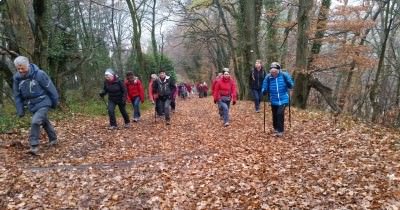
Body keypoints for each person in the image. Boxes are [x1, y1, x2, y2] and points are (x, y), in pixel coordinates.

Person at [12, 56, 59, 155]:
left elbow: (51, 89)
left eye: (22, 68)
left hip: (44, 102)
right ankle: (53, 139)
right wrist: (20, 110)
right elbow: (17, 95)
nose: (20, 70)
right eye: (18, 69)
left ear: (28, 65)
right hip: (31, 104)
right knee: (44, 121)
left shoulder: (39, 74)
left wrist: (54, 103)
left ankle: (34, 146)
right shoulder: (17, 78)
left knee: (35, 121)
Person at [261, 62, 294, 137]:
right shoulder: (268, 77)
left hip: (284, 99)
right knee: (275, 115)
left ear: (279, 70)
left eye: (275, 72)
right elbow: (264, 86)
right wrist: (264, 91)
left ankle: (280, 131)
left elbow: (291, 85)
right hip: (273, 99)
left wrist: (289, 83)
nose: (274, 73)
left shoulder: (284, 75)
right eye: (272, 72)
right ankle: (275, 128)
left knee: (280, 113)